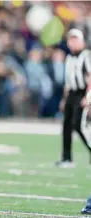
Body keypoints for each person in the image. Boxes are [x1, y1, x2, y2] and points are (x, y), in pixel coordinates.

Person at [57, 29, 91, 168]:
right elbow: (68, 82)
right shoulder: (69, 57)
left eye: (75, 39)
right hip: (72, 93)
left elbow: (90, 78)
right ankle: (67, 158)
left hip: (82, 93)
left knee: (80, 126)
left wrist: (88, 98)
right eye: (70, 39)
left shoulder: (86, 55)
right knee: (66, 126)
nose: (72, 42)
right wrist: (64, 100)